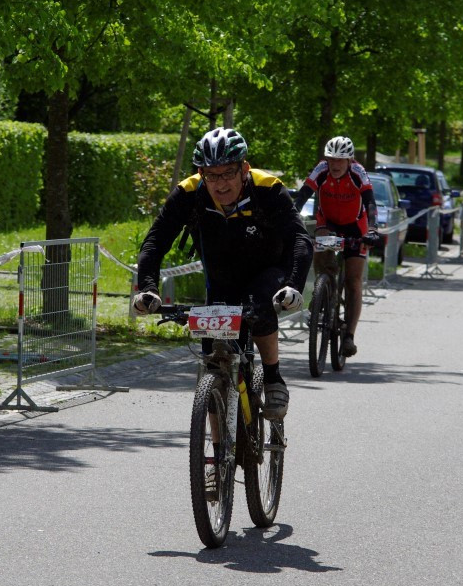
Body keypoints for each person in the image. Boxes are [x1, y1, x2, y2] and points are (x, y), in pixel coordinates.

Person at [132, 128, 313, 420]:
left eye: (228, 173)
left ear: (244, 168)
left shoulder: (267, 188)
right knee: (214, 368)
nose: (220, 183)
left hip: (269, 271)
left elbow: (300, 240)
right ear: (202, 173)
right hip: (221, 280)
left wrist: (294, 285)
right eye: (211, 175)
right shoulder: (189, 192)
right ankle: (217, 460)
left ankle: (273, 377)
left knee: (259, 298)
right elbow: (155, 242)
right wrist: (149, 289)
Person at [292, 136, 378, 358]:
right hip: (327, 224)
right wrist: (289, 219)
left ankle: (348, 336)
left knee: (353, 281)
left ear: (350, 160)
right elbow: (303, 195)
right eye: (331, 160)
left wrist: (372, 229)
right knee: (322, 261)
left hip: (356, 228)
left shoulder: (358, 173)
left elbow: (370, 202)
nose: (335, 165)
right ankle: (323, 294)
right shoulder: (321, 170)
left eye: (340, 161)